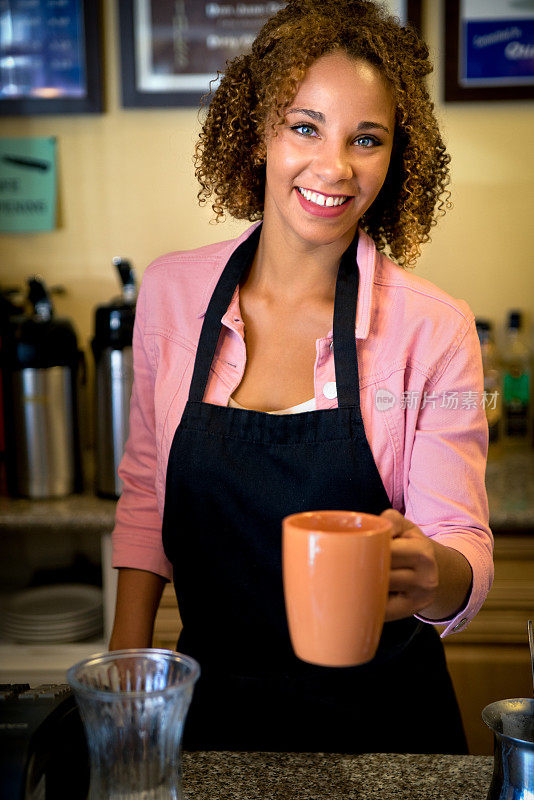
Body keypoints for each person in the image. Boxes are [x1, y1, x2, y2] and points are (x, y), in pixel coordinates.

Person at [110, 0, 493, 754]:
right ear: (259, 131)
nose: (335, 167)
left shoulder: (436, 327)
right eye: (305, 126)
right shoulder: (170, 295)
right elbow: (149, 494)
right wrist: (126, 686)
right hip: (211, 716)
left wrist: (433, 574)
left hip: (388, 728)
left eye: (367, 139)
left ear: (397, 156)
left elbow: (465, 548)